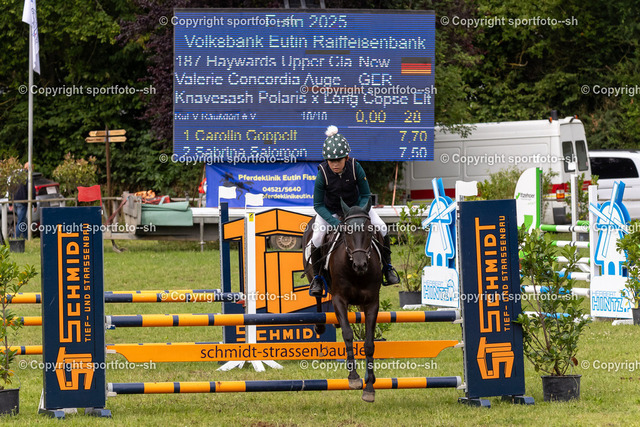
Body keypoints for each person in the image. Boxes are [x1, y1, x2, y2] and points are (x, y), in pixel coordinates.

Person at [308, 126, 399, 297]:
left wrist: (360, 211)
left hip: (357, 209)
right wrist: (335, 223)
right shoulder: (322, 174)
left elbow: (366, 195)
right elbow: (318, 205)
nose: (335, 164)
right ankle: (318, 278)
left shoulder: (356, 167)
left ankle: (387, 268)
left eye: (338, 160)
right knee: (317, 237)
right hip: (331, 211)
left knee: (382, 227)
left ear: (346, 157)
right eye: (331, 160)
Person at [12, 162, 31, 239]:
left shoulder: (16, 176)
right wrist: (34, 204)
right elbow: (31, 190)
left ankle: (26, 236)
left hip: (15, 200)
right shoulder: (28, 175)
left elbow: (11, 188)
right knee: (21, 220)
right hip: (22, 201)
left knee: (23, 220)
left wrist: (10, 202)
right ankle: (15, 237)